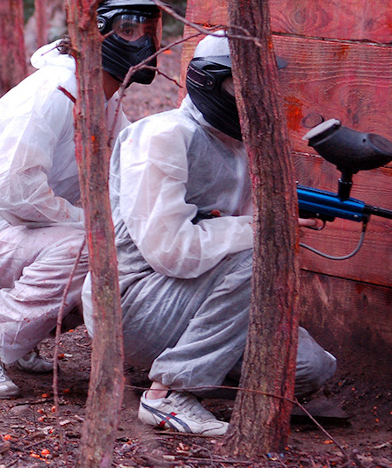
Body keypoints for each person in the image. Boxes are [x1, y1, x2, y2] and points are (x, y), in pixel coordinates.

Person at [81, 33, 336, 435]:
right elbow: (169, 251)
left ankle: (199, 372)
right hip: (131, 302)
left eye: (263, 84)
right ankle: (170, 393)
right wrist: (264, 229)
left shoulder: (246, 148)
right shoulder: (162, 136)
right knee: (261, 253)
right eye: (244, 84)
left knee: (310, 369)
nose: (257, 96)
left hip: (196, 305)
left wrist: (266, 222)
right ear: (209, 81)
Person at [0, 0, 163, 398]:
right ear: (96, 30)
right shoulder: (54, 91)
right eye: (128, 31)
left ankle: (17, 339)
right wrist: (90, 224)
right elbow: (11, 189)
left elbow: (127, 174)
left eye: (147, 32)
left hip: (23, 236)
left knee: (120, 246)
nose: (141, 43)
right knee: (91, 249)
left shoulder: (101, 98)